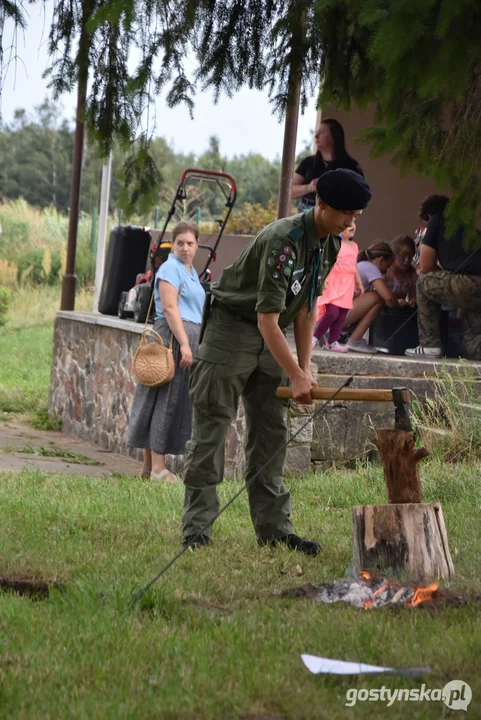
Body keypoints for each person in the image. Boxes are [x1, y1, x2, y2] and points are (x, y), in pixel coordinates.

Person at [182, 169, 372, 553]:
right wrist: (295, 374)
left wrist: (303, 371)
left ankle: (275, 530)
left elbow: (306, 309)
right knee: (212, 428)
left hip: (271, 332)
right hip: (232, 329)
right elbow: (265, 319)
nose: (350, 222)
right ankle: (197, 530)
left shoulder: (330, 243)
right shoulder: (285, 240)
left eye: (356, 215)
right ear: (320, 203)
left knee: (272, 432)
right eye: (344, 213)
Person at [127, 221, 205, 481]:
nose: (185, 248)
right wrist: (184, 343)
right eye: (180, 243)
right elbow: (171, 309)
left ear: (197, 245)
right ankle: (159, 467)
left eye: (190, 243)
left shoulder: (191, 270)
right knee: (166, 401)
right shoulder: (171, 267)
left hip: (184, 337)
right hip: (172, 338)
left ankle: (149, 468)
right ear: (174, 244)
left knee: (163, 399)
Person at [405, 195, 481, 360]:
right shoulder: (467, 227)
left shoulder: (437, 219)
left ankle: (429, 345)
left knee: (423, 281)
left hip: (469, 282)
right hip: (474, 287)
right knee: (473, 345)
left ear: (428, 215)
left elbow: (425, 266)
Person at [292, 118, 364, 213]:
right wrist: (309, 188)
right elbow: (290, 192)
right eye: (316, 132)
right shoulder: (308, 162)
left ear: (334, 136)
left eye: (321, 132)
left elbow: (361, 194)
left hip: (336, 213)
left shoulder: (350, 165)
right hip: (305, 212)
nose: (316, 136)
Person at [312, 222, 364, 352]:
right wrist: (322, 278)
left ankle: (332, 342)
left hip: (347, 285)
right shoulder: (333, 243)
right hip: (333, 283)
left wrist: (358, 283)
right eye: (348, 224)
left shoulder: (354, 246)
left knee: (341, 315)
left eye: (354, 223)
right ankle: (314, 338)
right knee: (332, 312)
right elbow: (326, 261)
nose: (352, 225)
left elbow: (354, 266)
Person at [343, 242, 399, 353]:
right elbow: (388, 297)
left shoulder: (361, 265)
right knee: (377, 298)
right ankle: (355, 340)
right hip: (340, 314)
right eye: (387, 267)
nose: (385, 271)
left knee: (370, 298)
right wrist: (398, 305)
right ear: (380, 260)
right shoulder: (370, 267)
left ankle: (350, 334)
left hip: (335, 313)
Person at [385, 235, 417, 306]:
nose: (406, 261)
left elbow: (413, 297)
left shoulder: (411, 274)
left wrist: (412, 302)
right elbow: (377, 297)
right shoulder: (386, 271)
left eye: (410, 257)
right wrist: (396, 302)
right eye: (403, 256)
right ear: (394, 255)